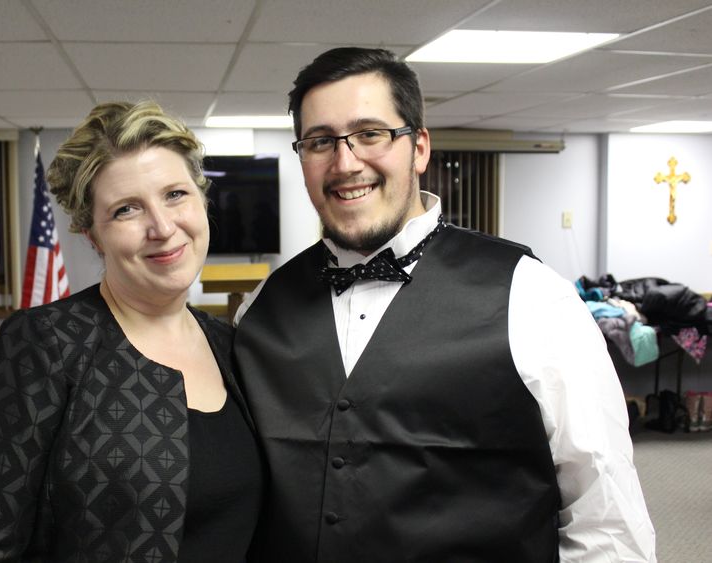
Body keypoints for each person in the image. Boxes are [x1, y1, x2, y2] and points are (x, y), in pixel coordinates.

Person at [233, 47, 656, 562]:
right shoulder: (258, 311)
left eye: (370, 133)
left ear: (419, 148)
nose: (345, 163)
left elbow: (605, 516)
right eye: (321, 141)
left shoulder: (531, 295)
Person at [0, 100, 263, 562]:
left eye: (176, 194)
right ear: (93, 235)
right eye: (126, 209)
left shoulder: (232, 347)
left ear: (202, 199)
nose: (162, 227)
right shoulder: (44, 345)